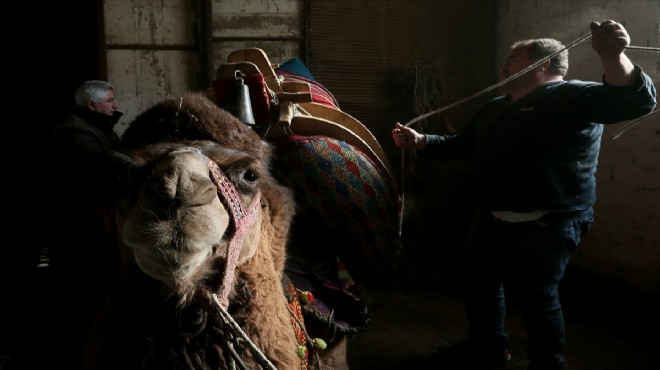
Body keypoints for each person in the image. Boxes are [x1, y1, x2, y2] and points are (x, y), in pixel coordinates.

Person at [391, 20, 656, 370]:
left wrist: (613, 56)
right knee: (477, 278)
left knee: (537, 298)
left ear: (541, 64)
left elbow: (632, 101)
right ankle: (488, 346)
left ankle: (548, 363)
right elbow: (464, 145)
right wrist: (421, 141)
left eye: (511, 61)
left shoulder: (573, 95)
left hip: (548, 221)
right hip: (492, 215)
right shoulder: (497, 107)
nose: (503, 68)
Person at [32, 80, 126, 370]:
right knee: (79, 296)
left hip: (91, 230)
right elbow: (102, 164)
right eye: (110, 100)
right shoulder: (72, 131)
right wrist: (142, 166)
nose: (115, 105)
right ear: (91, 104)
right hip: (75, 232)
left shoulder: (100, 129)